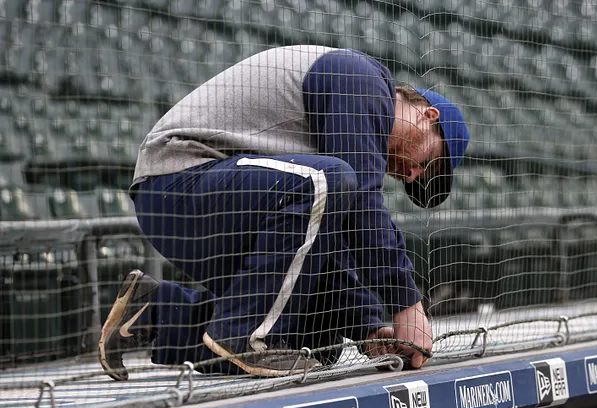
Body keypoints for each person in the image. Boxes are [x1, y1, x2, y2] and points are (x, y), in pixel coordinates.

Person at [97, 45, 470, 380]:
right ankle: (243, 335)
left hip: (206, 208)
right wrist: (406, 303)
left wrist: (368, 328)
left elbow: (324, 248)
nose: (413, 175)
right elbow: (362, 206)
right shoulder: (365, 79)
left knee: (315, 337)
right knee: (332, 180)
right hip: (178, 182)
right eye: (429, 163)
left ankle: (159, 312)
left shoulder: (335, 147)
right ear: (427, 115)